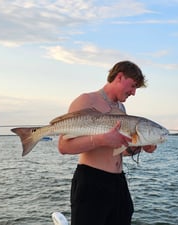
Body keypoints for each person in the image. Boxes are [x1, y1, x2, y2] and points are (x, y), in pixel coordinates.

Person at [58, 60, 157, 225]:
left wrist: (139, 146)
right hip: (91, 182)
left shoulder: (121, 109)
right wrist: (102, 139)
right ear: (119, 77)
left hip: (118, 183)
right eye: (132, 86)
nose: (133, 93)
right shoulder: (86, 100)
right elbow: (63, 146)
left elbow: (120, 150)